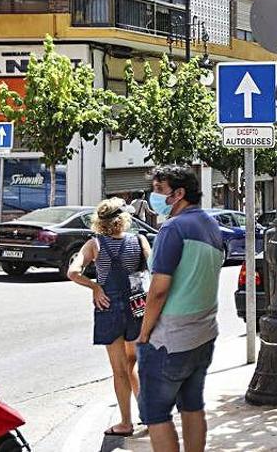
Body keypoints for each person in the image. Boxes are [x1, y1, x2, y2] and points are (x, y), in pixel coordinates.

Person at [137, 165, 225, 452]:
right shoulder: (210, 225)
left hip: (169, 338)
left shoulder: (173, 228)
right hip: (203, 333)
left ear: (179, 194)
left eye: (160, 191)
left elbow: (159, 289)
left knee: (156, 414)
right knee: (192, 406)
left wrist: (144, 333)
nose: (154, 196)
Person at [67, 198, 152, 438]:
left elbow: (73, 272)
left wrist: (95, 288)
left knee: (120, 370)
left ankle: (126, 422)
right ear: (124, 219)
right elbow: (155, 269)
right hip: (138, 306)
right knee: (134, 362)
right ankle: (149, 413)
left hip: (108, 308)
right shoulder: (139, 240)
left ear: (100, 222)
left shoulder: (94, 244)